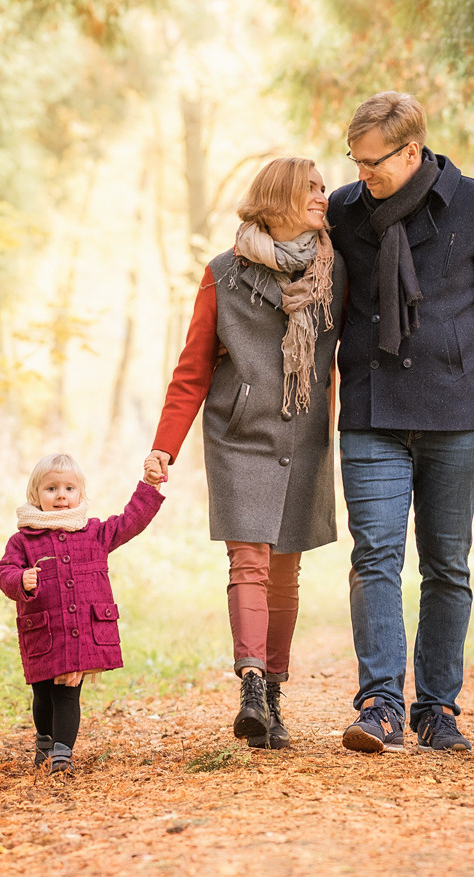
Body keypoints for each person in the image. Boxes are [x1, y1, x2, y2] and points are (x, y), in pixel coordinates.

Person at [329, 91, 474, 754]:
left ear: (412, 149)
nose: (363, 173)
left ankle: (436, 706)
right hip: (371, 406)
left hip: (455, 411)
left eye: (375, 161)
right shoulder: (342, 211)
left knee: (447, 563)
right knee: (374, 556)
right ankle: (381, 704)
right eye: (355, 160)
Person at [147, 155, 343, 749]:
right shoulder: (223, 274)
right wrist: (164, 448)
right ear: (277, 197)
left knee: (285, 571)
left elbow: (353, 363)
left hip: (306, 435)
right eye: (309, 187)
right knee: (249, 563)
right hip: (239, 436)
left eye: (322, 186)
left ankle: (274, 694)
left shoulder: (337, 273)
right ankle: (252, 683)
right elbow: (192, 369)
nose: (322, 194)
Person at [0, 450, 163, 774]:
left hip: (80, 632)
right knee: (43, 696)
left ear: (81, 494)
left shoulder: (95, 532)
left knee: (67, 693)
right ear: (36, 495)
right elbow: (4, 571)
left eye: (69, 489)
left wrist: (149, 485)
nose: (61, 496)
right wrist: (21, 579)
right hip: (43, 632)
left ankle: (62, 755)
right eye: (52, 489)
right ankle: (45, 738)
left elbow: (131, 520)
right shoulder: (23, 540)